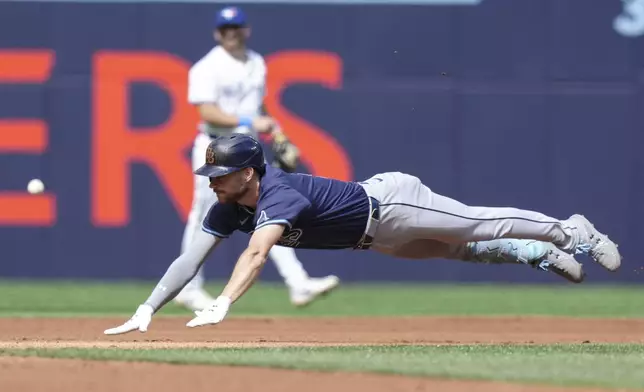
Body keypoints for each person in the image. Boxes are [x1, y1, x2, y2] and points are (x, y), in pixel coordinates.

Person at [104, 134, 621, 335]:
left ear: (249, 173)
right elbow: (188, 260)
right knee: (460, 251)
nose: (212, 183)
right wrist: (149, 307)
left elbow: (258, 254)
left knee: (476, 223)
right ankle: (532, 254)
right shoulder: (227, 205)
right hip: (373, 238)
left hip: (391, 205)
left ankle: (568, 230)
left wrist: (224, 302)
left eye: (220, 175)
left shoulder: (277, 194)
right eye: (211, 176)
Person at [174, 5, 339, 312]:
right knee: (202, 216)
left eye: (235, 28)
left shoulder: (256, 63)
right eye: (225, 30)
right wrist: (250, 120)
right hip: (216, 149)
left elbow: (258, 108)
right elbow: (207, 112)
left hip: (247, 151)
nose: (231, 34)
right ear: (216, 34)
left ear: (245, 30)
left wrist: (277, 133)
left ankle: (298, 283)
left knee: (271, 210)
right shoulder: (207, 67)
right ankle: (189, 288)